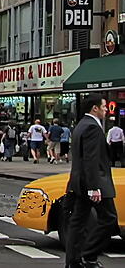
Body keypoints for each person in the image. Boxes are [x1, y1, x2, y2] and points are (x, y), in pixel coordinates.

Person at [66, 94, 117, 268]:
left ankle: (73, 261)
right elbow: (91, 159)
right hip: (94, 183)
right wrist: (94, 188)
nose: (106, 109)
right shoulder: (92, 128)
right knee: (109, 219)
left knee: (78, 222)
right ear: (94, 108)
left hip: (79, 182)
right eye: (103, 106)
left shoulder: (81, 125)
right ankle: (89, 255)